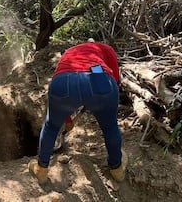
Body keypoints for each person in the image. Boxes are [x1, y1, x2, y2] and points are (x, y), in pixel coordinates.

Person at [28, 41, 128, 185]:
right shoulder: (104, 48)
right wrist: (98, 98)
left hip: (65, 79)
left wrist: (67, 119)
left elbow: (67, 87)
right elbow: (115, 79)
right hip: (98, 74)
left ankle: (41, 170)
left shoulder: (70, 52)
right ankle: (117, 169)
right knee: (110, 127)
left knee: (51, 127)